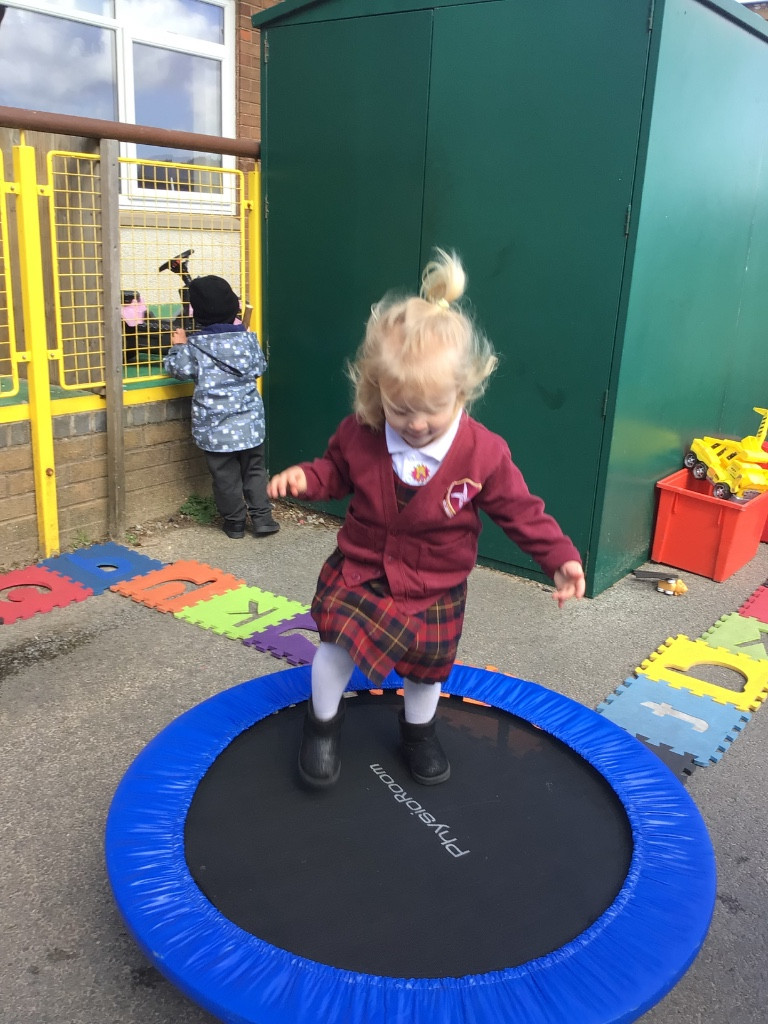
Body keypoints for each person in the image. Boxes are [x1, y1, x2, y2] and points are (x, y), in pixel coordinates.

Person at [267, 249, 584, 789]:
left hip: (436, 583)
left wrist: (559, 558)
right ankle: (322, 725)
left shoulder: (483, 453)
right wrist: (306, 479)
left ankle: (419, 732)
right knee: (334, 647)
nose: (413, 423)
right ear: (377, 392)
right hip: (362, 569)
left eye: (430, 410)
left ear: (462, 392)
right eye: (398, 409)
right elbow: (334, 473)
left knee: (428, 668)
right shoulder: (360, 433)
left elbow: (519, 509)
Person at [164, 275, 279, 540]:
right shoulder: (248, 339)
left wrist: (178, 346)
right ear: (234, 309)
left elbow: (177, 370)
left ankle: (235, 524)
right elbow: (259, 368)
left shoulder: (195, 346)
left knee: (225, 476)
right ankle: (262, 519)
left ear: (198, 315)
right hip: (249, 425)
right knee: (254, 470)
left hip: (215, 430)